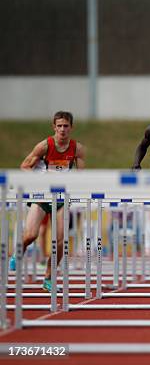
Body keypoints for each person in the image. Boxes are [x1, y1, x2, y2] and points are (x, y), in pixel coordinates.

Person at [11, 111, 85, 292]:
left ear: (71, 128)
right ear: (54, 127)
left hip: (60, 197)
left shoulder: (77, 148)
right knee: (31, 234)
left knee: (60, 240)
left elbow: (83, 175)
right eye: (59, 126)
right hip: (41, 195)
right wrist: (44, 177)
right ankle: (17, 252)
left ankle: (49, 278)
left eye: (66, 126)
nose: (62, 129)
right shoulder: (44, 146)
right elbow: (24, 166)